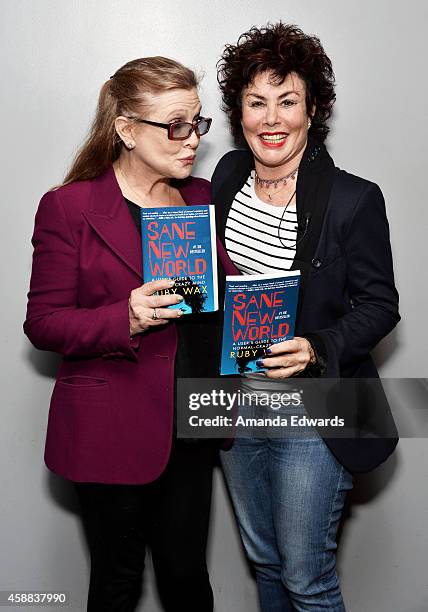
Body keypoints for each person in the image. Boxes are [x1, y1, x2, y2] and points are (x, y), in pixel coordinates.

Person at [213, 23, 400, 611]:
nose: (272, 119)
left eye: (287, 101)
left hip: (314, 413)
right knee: (266, 562)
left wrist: (317, 345)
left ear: (311, 109)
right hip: (238, 405)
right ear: (238, 112)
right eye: (256, 102)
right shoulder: (223, 181)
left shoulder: (353, 198)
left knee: (305, 578)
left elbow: (380, 305)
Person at [24, 56, 217, 612]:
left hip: (191, 425)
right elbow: (43, 322)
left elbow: (218, 305)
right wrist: (123, 318)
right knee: (116, 583)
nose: (191, 141)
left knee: (187, 582)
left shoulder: (202, 198)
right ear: (126, 129)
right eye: (175, 125)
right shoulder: (69, 207)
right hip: (110, 428)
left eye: (197, 123)